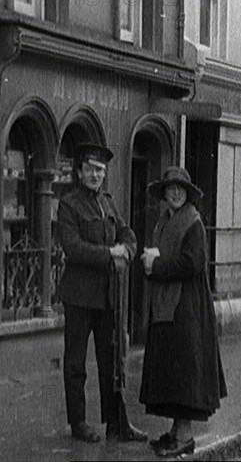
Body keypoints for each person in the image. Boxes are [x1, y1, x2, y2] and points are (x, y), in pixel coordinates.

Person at [57, 143, 147, 443]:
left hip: (108, 297)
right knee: (76, 363)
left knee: (112, 362)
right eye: (91, 169)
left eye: (101, 170)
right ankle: (78, 422)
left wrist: (129, 252)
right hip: (79, 297)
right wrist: (111, 253)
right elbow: (73, 247)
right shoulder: (68, 205)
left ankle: (117, 424)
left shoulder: (108, 203)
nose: (96, 175)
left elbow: (128, 234)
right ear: (80, 171)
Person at [139, 167, 227, 458]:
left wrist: (157, 266)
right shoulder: (165, 221)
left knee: (184, 371)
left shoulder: (193, 222)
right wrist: (150, 266)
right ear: (164, 192)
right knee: (173, 371)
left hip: (188, 307)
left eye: (180, 188)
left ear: (187, 193)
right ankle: (177, 431)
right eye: (170, 188)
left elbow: (193, 263)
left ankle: (186, 436)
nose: (175, 193)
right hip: (169, 305)